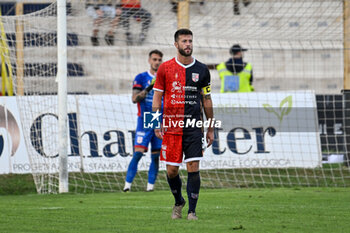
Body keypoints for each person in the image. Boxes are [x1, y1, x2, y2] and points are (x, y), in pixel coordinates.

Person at [152, 29, 214, 220]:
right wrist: (155, 123)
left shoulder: (202, 70)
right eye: (184, 41)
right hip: (171, 127)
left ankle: (192, 211)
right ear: (176, 44)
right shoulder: (165, 68)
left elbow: (207, 99)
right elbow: (157, 97)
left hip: (194, 126)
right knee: (172, 170)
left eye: (190, 41)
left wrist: (210, 127)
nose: (188, 44)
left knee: (193, 166)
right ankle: (179, 201)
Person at [123, 50, 163, 192]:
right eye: (154, 59)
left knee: (156, 156)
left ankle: (150, 188)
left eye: (159, 60)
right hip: (144, 119)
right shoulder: (141, 77)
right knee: (138, 153)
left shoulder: (164, 78)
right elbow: (134, 99)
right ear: (149, 60)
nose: (157, 62)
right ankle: (127, 186)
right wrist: (148, 88)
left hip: (159, 119)